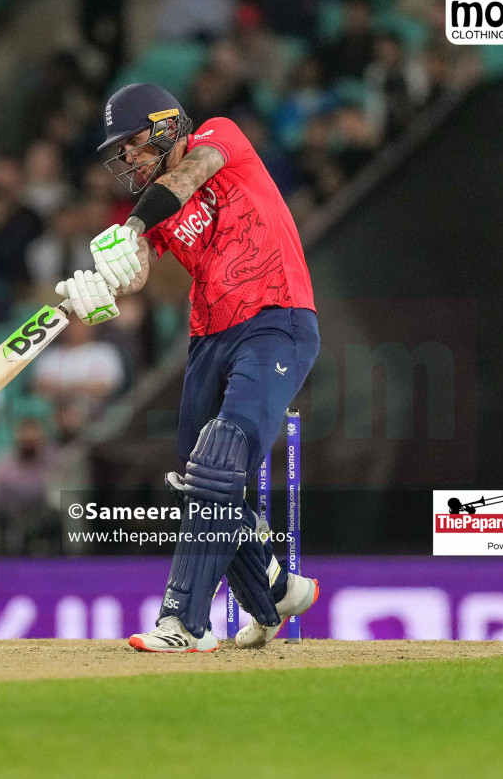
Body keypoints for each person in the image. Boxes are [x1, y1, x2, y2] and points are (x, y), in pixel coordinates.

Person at [56, 82, 320, 653]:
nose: (126, 157)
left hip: (276, 318)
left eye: (132, 143)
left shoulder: (218, 137)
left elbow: (187, 178)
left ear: (165, 125)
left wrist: (129, 229)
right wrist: (98, 284)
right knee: (200, 475)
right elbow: (140, 271)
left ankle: (183, 623)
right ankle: (274, 592)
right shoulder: (149, 213)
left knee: (221, 458)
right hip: (208, 337)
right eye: (120, 150)